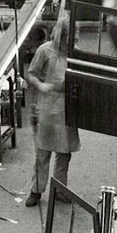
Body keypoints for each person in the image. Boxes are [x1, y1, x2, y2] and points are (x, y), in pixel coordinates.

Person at [25, 17, 81, 207]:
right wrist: (41, 85)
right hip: (49, 107)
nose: (70, 44)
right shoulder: (45, 51)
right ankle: (36, 190)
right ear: (60, 37)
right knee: (43, 152)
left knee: (64, 153)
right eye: (67, 40)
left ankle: (60, 190)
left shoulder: (74, 53)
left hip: (68, 108)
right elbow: (31, 74)